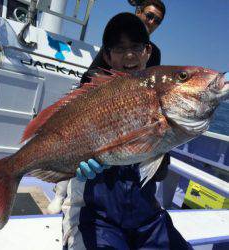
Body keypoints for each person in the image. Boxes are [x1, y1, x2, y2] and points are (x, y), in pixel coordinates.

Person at [47, 12, 193, 250]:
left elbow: (159, 173)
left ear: (147, 51)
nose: (129, 55)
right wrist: (75, 168)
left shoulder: (156, 96)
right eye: (119, 48)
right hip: (96, 216)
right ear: (106, 55)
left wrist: (165, 139)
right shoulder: (93, 93)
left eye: (136, 47)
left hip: (146, 215)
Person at [80, 0, 165, 84]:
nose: (152, 22)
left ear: (149, 51)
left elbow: (152, 83)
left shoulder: (156, 53)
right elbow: (92, 72)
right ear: (138, 12)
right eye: (149, 16)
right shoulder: (116, 39)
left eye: (157, 21)